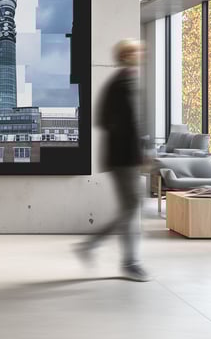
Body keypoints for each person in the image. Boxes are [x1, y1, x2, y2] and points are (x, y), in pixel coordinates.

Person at [75, 39, 149, 282]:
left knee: (131, 208)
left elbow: (105, 120)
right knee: (131, 208)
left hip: (124, 157)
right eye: (137, 51)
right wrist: (137, 151)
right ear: (127, 56)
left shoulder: (124, 82)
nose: (142, 54)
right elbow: (111, 122)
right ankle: (128, 262)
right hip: (123, 158)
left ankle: (97, 248)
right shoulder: (121, 83)